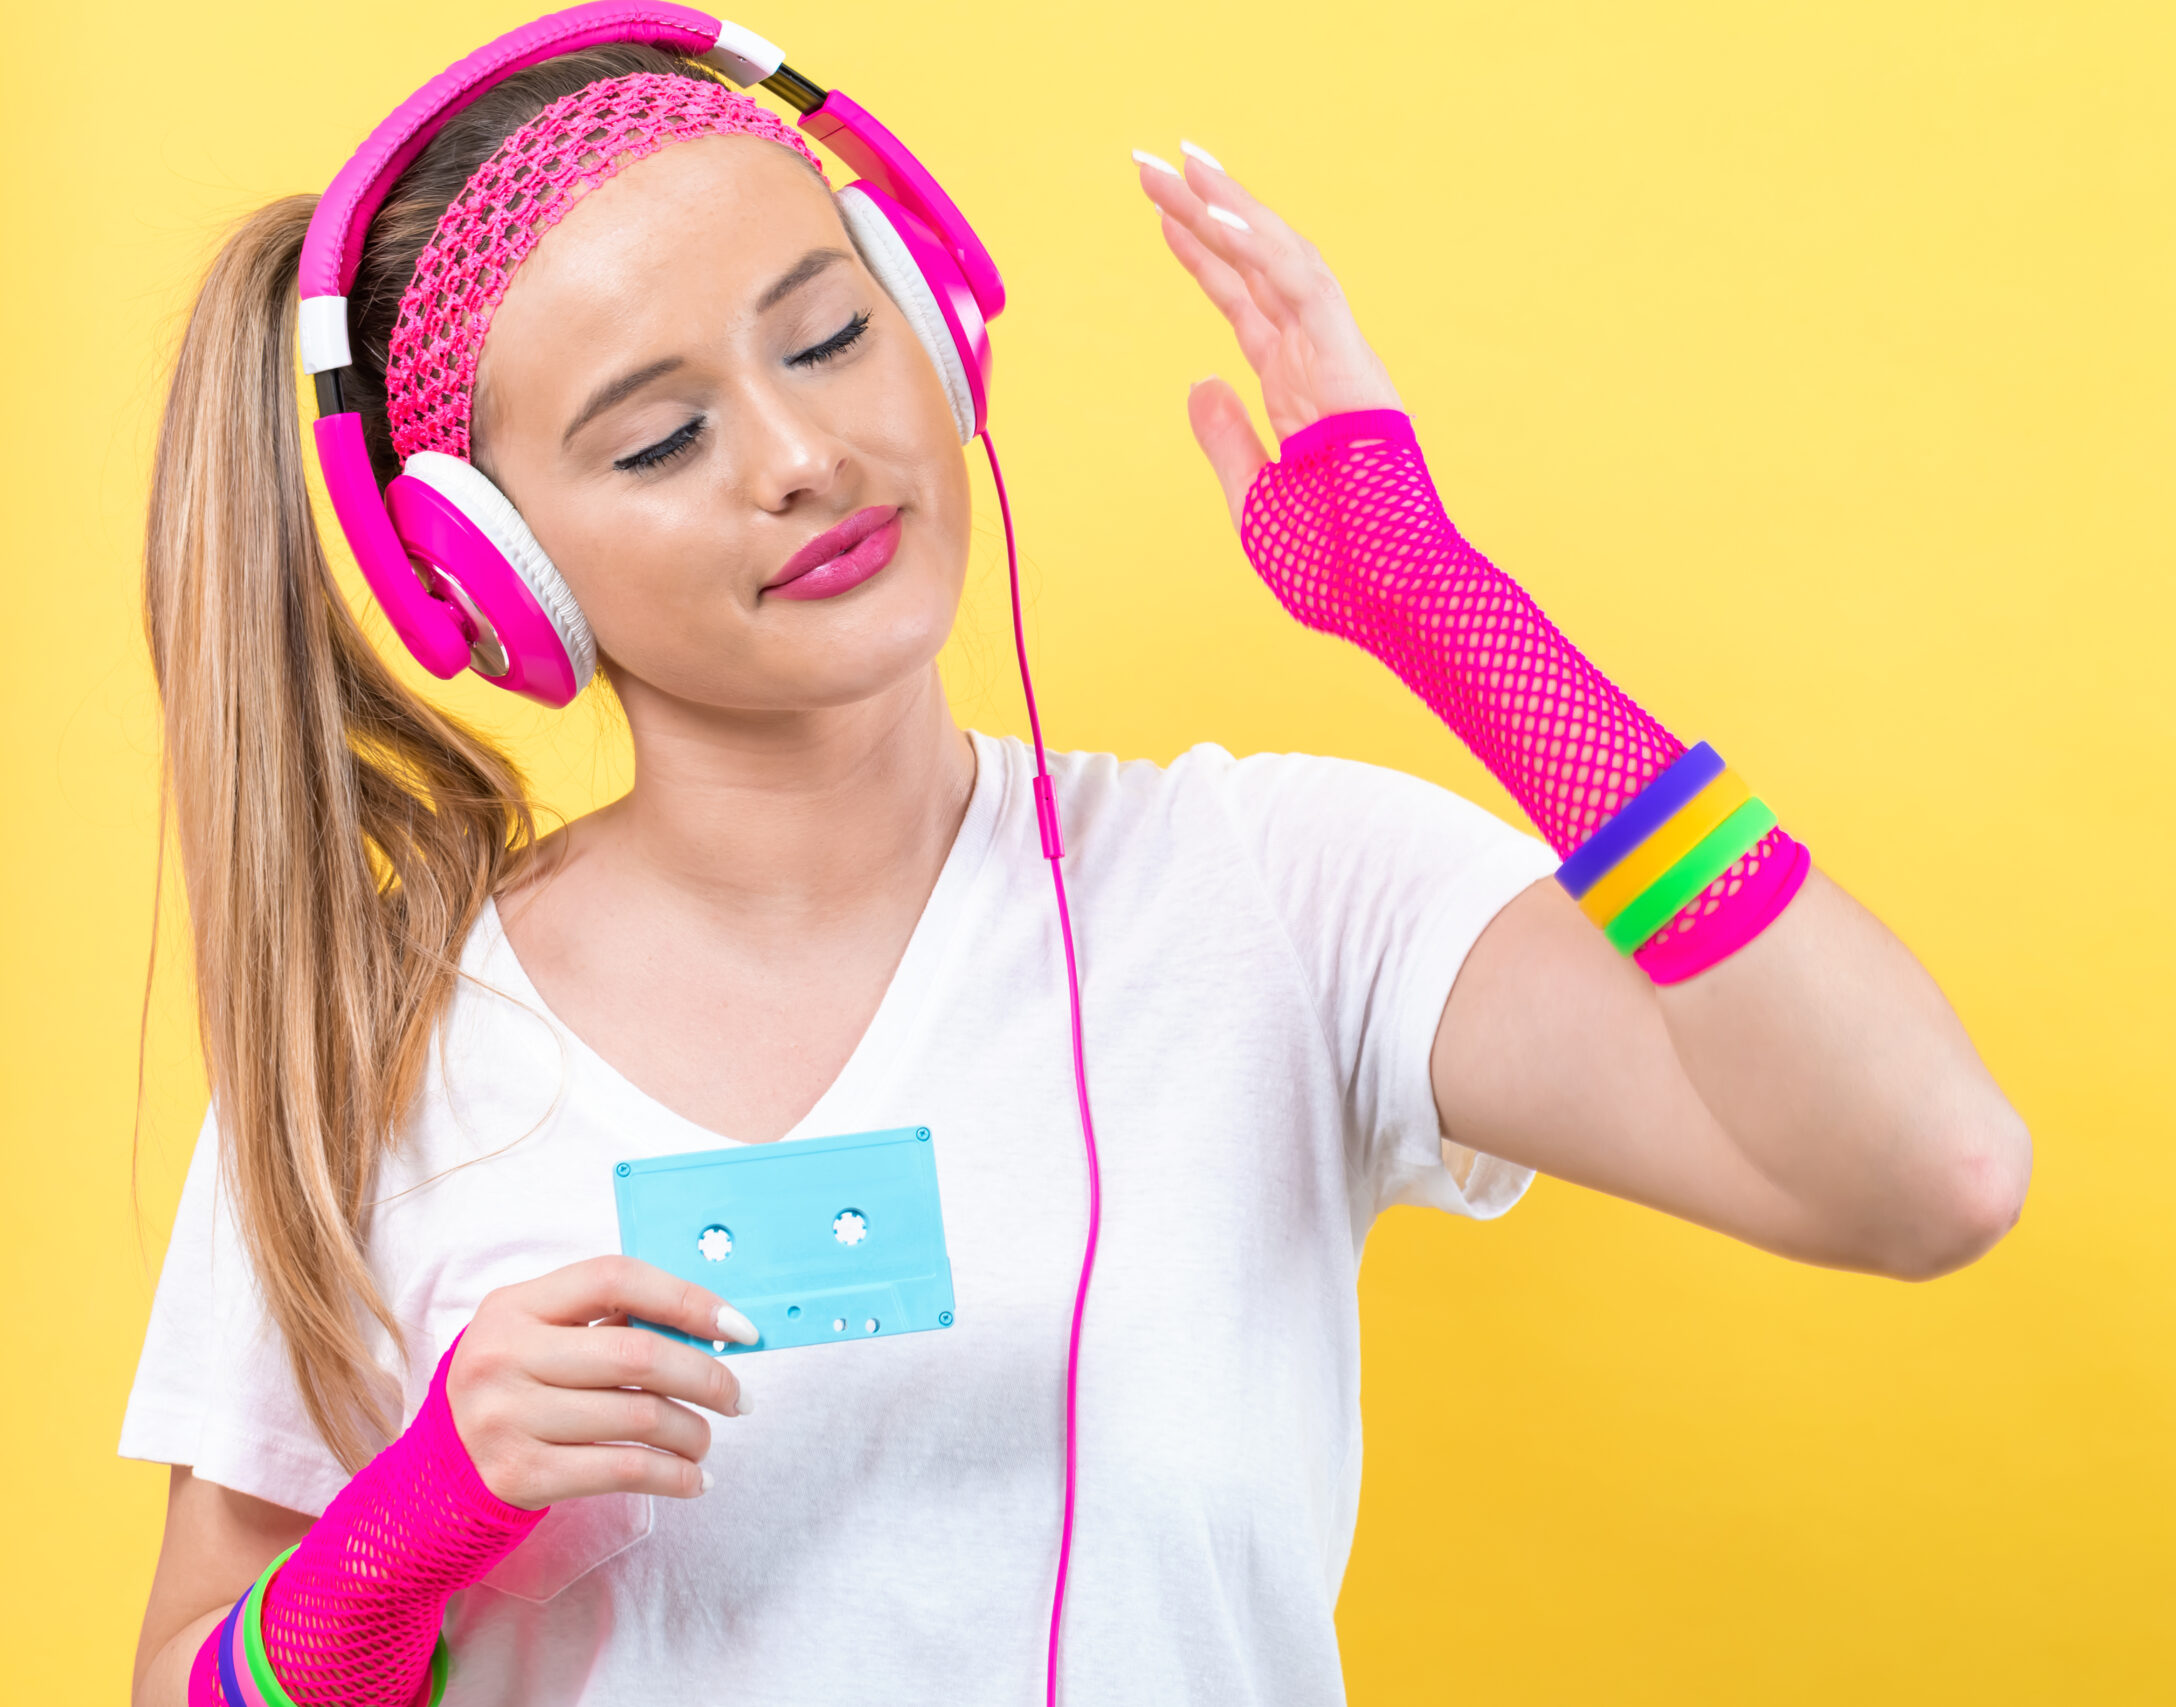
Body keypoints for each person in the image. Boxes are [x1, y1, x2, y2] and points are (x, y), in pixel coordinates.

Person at [121, 33, 2028, 1707]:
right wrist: (411, 1527)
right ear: (489, 571)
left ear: (931, 312)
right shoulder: (381, 1044)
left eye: (829, 332)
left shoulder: (1276, 892)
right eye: (666, 436)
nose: (802, 451)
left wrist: (1450, 617)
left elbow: (1927, 1171)